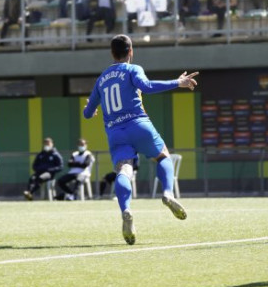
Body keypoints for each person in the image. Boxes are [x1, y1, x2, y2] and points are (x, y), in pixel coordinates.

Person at [82, 34, 198, 245]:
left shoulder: (102, 79)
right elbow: (146, 86)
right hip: (138, 124)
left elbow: (88, 113)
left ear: (111, 53)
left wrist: (90, 111)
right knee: (163, 156)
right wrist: (178, 82)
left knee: (124, 170)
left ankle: (126, 210)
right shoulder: (133, 69)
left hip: (115, 132)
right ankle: (168, 194)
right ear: (131, 51)